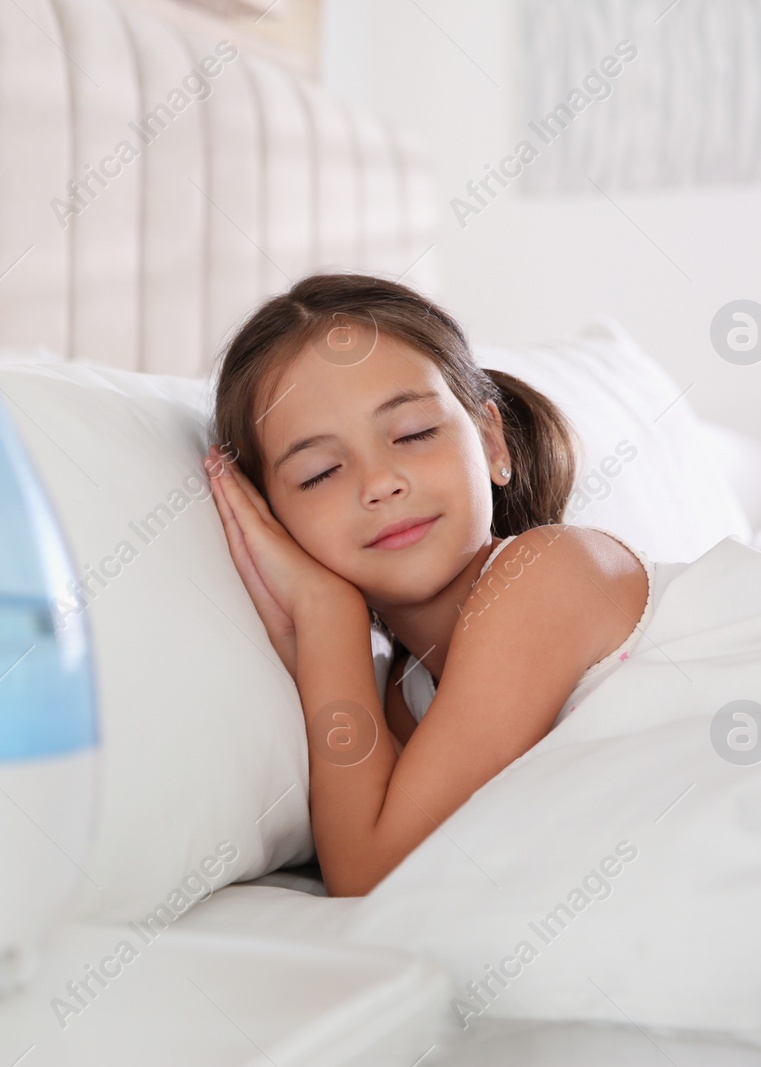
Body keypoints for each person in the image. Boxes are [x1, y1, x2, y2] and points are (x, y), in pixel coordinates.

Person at [203, 273, 650, 897]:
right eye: (320, 472)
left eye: (413, 434)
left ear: (492, 442)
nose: (379, 482)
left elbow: (368, 874)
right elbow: (380, 853)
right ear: (276, 524)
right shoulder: (406, 698)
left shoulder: (553, 569)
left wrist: (326, 616)